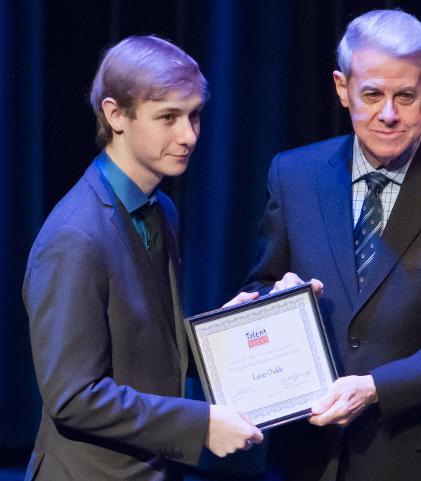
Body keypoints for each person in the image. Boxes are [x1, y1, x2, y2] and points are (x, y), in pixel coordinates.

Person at [241, 9, 421, 481]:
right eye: (371, 94)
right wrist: (268, 305)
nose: (388, 114)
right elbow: (265, 284)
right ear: (341, 87)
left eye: (405, 96)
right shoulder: (293, 175)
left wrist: (375, 388)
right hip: (306, 460)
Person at [23, 35, 263, 481]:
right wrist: (201, 424)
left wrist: (227, 335)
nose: (188, 135)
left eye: (194, 116)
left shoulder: (160, 209)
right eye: (168, 117)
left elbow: (147, 343)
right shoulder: (75, 236)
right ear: (116, 115)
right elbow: (74, 397)